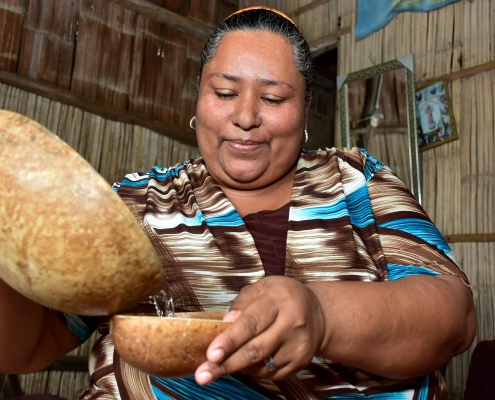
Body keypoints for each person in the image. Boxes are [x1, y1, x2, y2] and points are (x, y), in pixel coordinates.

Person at [0, 6, 476, 400]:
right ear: (199, 100)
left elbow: (453, 319)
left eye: (273, 98)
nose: (245, 116)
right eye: (225, 92)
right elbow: (31, 346)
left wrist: (322, 315)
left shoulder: (355, 182)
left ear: (305, 109)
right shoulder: (137, 205)